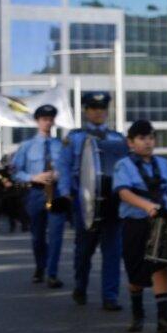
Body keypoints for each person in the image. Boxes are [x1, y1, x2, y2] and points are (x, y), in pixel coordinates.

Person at [113, 120, 167, 333]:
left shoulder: (163, 164)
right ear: (130, 142)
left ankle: (164, 318)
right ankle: (138, 313)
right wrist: (148, 207)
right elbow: (124, 193)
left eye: (151, 138)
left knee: (160, 265)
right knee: (135, 272)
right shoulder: (123, 165)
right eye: (142, 138)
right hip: (135, 223)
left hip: (160, 223)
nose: (148, 142)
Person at [58, 92, 128, 310]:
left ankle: (110, 296)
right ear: (86, 111)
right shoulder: (75, 137)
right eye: (93, 108)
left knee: (113, 251)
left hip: (112, 203)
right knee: (84, 250)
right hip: (85, 201)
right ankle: (81, 285)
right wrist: (66, 192)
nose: (98, 112)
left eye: (102, 108)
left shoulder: (118, 138)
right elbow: (64, 166)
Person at [10, 104, 66, 288]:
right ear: (37, 121)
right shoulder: (27, 146)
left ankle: (52, 272)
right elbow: (16, 172)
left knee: (56, 235)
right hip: (36, 192)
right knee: (37, 235)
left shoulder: (61, 145)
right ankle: (40, 266)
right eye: (44, 119)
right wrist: (34, 177)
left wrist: (58, 174)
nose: (47, 123)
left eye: (50, 120)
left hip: (56, 192)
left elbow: (69, 168)